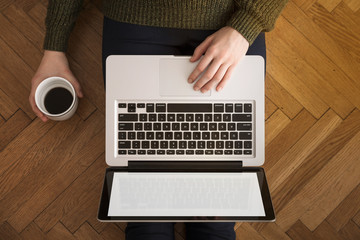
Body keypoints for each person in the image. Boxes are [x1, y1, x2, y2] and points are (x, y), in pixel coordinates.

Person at [29, 0, 288, 239]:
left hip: (231, 24)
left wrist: (246, 25)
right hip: (133, 18)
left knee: (214, 221)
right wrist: (54, 47)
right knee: (147, 219)